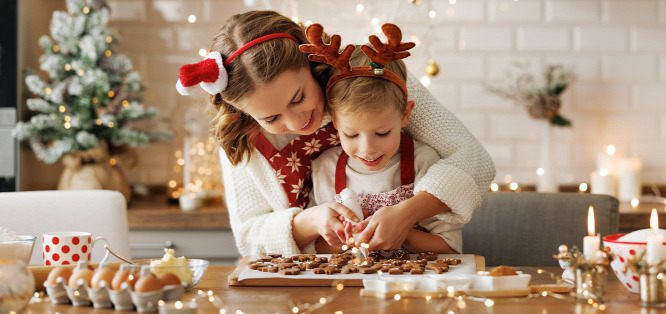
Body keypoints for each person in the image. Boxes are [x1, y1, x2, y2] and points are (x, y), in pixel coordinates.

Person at [175, 11, 495, 256]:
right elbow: (248, 239)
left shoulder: (370, 77)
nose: (296, 120)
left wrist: (406, 214)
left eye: (298, 98)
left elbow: (474, 160)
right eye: (272, 117)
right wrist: (309, 222)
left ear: (312, 63)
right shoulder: (243, 140)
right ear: (246, 115)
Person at [308, 23, 460, 255]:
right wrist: (344, 237)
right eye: (351, 134)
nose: (367, 149)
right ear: (335, 122)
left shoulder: (424, 162)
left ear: (405, 114)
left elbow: (449, 249)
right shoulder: (324, 169)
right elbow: (312, 248)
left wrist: (401, 230)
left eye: (382, 133)